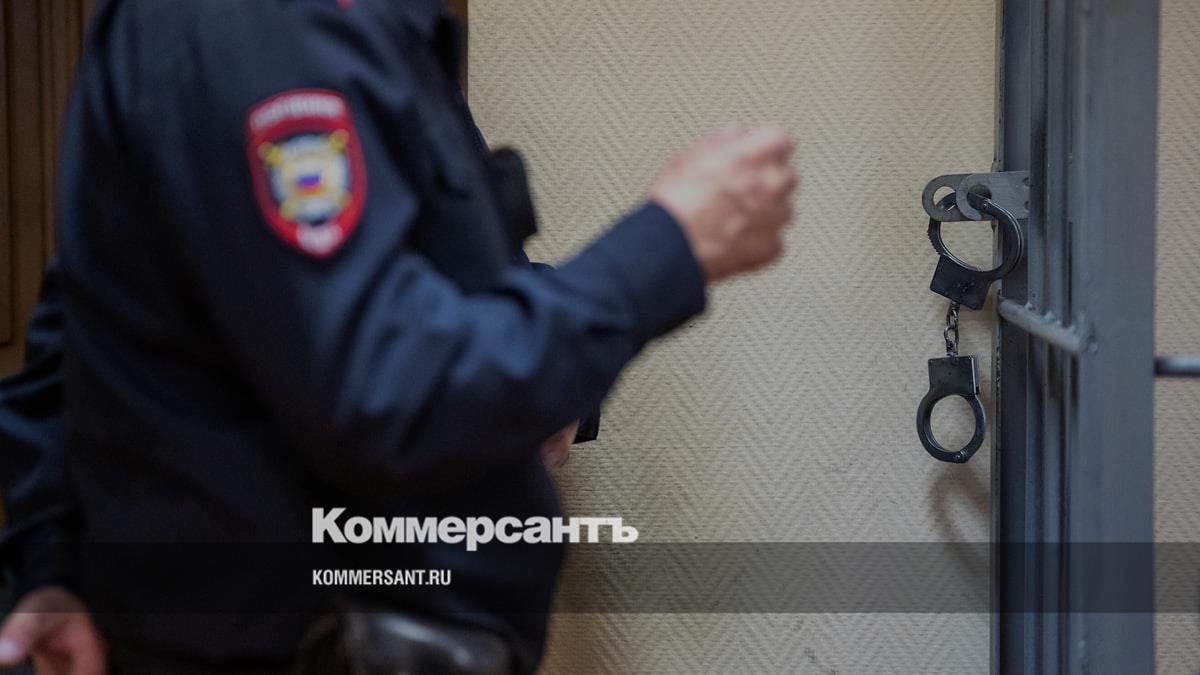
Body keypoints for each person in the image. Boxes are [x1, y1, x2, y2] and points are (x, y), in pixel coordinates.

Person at [14, 0, 798, 672]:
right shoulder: (266, 29)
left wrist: (49, 562)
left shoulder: (354, 30)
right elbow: (382, 387)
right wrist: (664, 252)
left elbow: (85, 320)